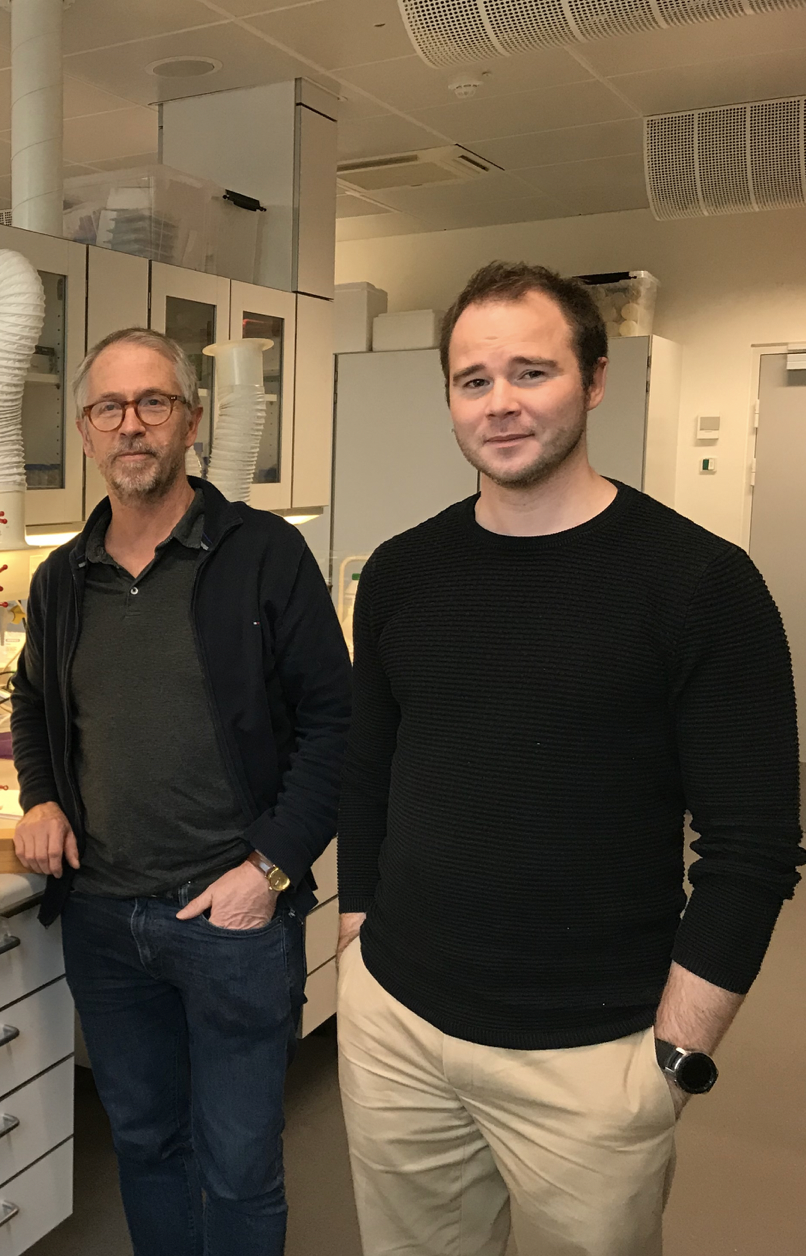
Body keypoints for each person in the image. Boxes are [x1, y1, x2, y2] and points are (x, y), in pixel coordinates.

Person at [336, 260, 804, 1256]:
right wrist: (358, 939)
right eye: (473, 380)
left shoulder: (700, 584)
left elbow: (754, 844)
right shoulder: (402, 573)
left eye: (531, 372)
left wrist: (675, 1056)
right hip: (397, 1030)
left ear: (594, 380)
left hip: (593, 1056)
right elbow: (369, 769)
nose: (500, 403)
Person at [10, 328, 352, 1255]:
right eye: (109, 408)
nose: (132, 425)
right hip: (104, 920)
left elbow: (337, 724)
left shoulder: (263, 554)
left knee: (238, 1167)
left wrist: (270, 871)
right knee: (147, 1145)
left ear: (190, 422)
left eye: (153, 403)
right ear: (85, 431)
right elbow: (32, 701)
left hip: (231, 921)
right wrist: (41, 798)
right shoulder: (61, 578)